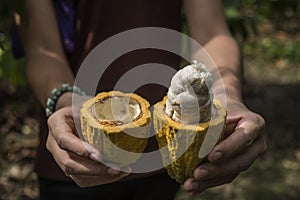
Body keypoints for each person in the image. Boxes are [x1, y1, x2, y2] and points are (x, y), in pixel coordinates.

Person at [21, 0, 267, 199]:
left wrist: (227, 95)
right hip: (77, 160)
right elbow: (42, 50)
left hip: (164, 153)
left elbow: (212, 32)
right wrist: (65, 101)